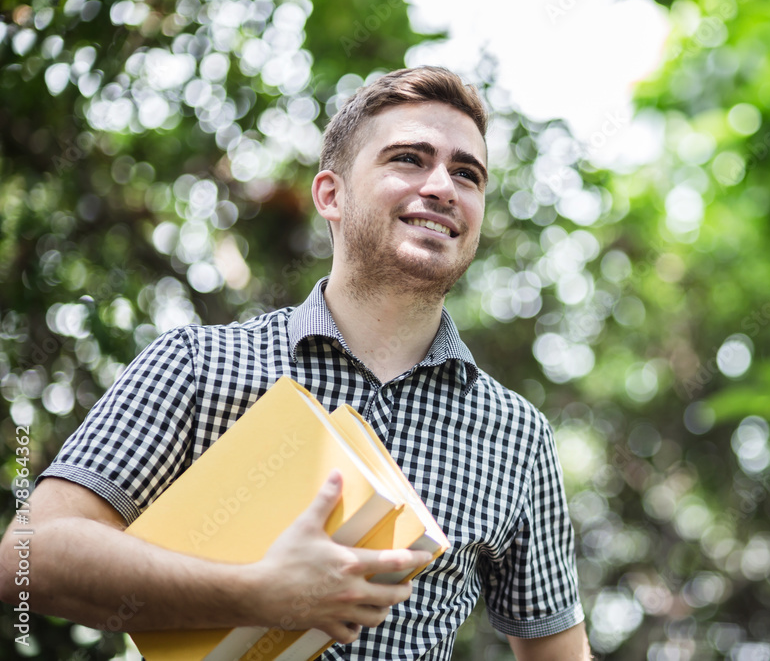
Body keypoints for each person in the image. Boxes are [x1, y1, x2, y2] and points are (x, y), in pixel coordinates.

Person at [0, 66, 590, 660]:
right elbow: (28, 555)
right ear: (331, 195)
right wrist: (256, 593)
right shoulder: (197, 365)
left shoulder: (517, 435)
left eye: (467, 174)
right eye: (409, 158)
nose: (442, 185)